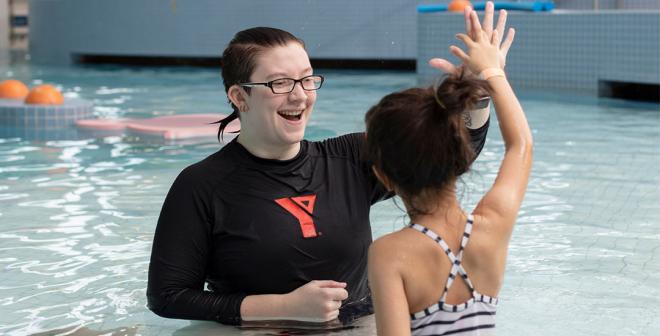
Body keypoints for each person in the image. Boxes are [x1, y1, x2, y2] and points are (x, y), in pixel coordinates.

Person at [146, 2, 513, 326]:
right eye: (280, 83)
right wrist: (280, 307)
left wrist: (478, 96)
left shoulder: (351, 158)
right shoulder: (202, 185)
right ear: (239, 95)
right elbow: (168, 296)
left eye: (307, 79)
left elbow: (446, 162)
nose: (300, 95)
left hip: (360, 325)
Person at [366, 7, 532, 336]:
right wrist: (491, 73)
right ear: (459, 155)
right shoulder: (492, 227)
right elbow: (521, 145)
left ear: (384, 177)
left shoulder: (388, 254)